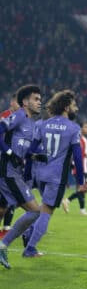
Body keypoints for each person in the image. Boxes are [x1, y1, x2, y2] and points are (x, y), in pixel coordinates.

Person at [20, 89, 87, 259]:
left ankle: (28, 233)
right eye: (73, 105)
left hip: (39, 174)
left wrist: (29, 172)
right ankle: (30, 248)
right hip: (56, 177)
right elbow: (78, 158)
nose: (76, 108)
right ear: (66, 107)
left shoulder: (42, 124)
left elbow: (31, 151)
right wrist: (81, 181)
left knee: (42, 208)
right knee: (47, 212)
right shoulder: (73, 128)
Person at [0, 85, 45, 269]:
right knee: (35, 210)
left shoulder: (33, 125)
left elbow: (27, 152)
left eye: (40, 99)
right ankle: (3, 245)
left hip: (14, 172)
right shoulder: (19, 115)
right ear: (25, 102)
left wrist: (37, 156)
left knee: (2, 210)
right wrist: (8, 151)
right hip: (8, 173)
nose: (39, 102)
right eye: (35, 99)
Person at [62, 120, 87, 216]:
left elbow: (83, 154)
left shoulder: (81, 140)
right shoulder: (80, 140)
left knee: (81, 189)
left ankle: (78, 207)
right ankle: (69, 202)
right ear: (81, 128)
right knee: (82, 189)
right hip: (80, 168)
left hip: (80, 168)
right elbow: (81, 154)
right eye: (86, 127)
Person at [0, 94, 19, 237]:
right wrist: (9, 152)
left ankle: (6, 228)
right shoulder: (5, 117)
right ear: (12, 102)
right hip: (3, 161)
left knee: (10, 197)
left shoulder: (21, 118)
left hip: (12, 163)